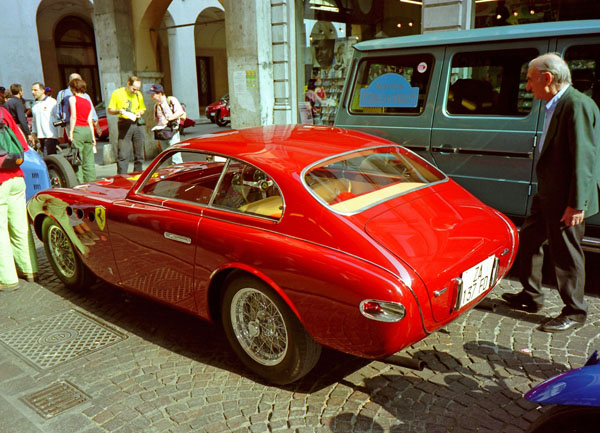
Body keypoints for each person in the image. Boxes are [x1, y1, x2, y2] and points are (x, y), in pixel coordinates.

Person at [502, 53, 600, 332]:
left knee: (566, 252)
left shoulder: (576, 105)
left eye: (530, 80)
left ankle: (575, 311)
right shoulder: (556, 104)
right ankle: (531, 296)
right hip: (549, 192)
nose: (527, 87)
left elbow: (585, 158)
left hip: (567, 197)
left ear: (547, 78)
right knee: (530, 239)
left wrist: (577, 204)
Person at [0, 105, 38, 291]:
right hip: (16, 176)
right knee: (20, 225)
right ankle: (29, 269)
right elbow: (22, 145)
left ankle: (7, 278)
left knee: (1, 231)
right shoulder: (3, 112)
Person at [107, 76, 146, 174]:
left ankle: (138, 175)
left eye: (137, 89)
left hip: (137, 123)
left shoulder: (138, 94)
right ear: (128, 84)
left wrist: (139, 113)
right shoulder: (117, 93)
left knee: (139, 153)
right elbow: (110, 110)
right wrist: (119, 111)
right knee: (123, 154)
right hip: (124, 123)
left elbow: (142, 108)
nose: (135, 91)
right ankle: (122, 177)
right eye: (134, 89)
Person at [67, 78, 96, 183]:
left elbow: (73, 116)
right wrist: (93, 136)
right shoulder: (87, 101)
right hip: (87, 130)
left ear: (73, 88)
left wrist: (71, 132)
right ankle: (91, 182)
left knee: (77, 158)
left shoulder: (72, 99)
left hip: (78, 129)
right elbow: (90, 120)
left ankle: (80, 183)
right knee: (89, 160)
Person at [55, 73, 101, 138]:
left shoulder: (62, 93)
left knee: (75, 144)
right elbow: (92, 112)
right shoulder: (84, 95)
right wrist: (97, 127)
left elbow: (58, 111)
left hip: (69, 124)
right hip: (84, 124)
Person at [148, 84, 185, 164]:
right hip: (163, 133)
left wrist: (168, 119)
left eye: (153, 94)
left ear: (160, 93)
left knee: (175, 156)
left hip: (173, 130)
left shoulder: (171, 100)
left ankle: (179, 172)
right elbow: (158, 121)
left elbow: (180, 112)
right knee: (167, 156)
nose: (151, 97)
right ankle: (171, 173)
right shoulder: (156, 106)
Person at [31, 82, 59, 157]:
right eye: (32, 90)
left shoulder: (52, 102)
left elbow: (57, 118)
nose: (33, 92)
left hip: (50, 135)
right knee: (45, 158)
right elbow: (34, 121)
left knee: (48, 157)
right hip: (40, 137)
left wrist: (60, 135)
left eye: (35, 90)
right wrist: (33, 134)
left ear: (43, 90)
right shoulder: (34, 105)